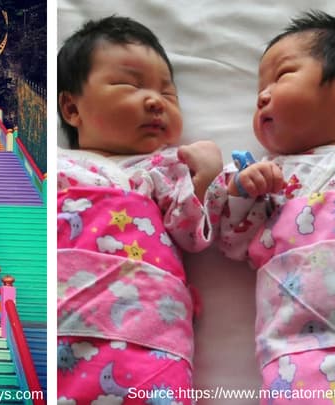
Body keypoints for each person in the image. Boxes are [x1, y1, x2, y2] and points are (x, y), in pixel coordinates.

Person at [55, 16, 224, 401]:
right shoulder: (59, 165)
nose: (154, 101)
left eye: (168, 94)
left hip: (149, 336)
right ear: (71, 108)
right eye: (130, 84)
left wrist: (203, 178)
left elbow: (190, 234)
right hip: (63, 327)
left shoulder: (165, 168)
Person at [216, 11, 335, 400]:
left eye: (282, 76)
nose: (263, 96)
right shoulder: (265, 174)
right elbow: (232, 242)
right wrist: (240, 191)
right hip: (294, 355)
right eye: (258, 94)